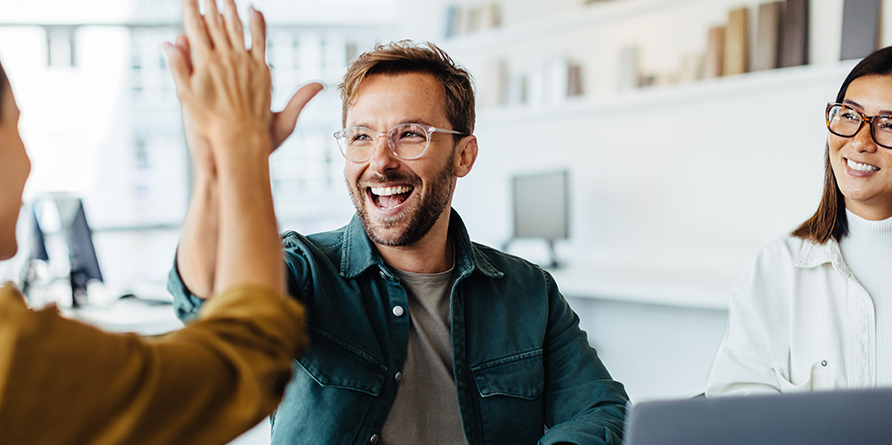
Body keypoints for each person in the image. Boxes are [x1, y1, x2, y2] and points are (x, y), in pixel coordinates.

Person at [0, 0, 309, 443]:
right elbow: (243, 363)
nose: (28, 162)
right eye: (16, 126)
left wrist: (216, 168)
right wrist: (242, 144)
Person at [168, 38, 630, 443]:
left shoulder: (529, 292)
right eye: (362, 136)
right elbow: (206, 298)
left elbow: (600, 410)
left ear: (464, 155)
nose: (380, 161)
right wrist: (219, 166)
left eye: (410, 134)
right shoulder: (305, 271)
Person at [707, 46, 892, 395]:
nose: (861, 141)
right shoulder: (776, 269)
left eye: (890, 124)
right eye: (849, 116)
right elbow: (737, 412)